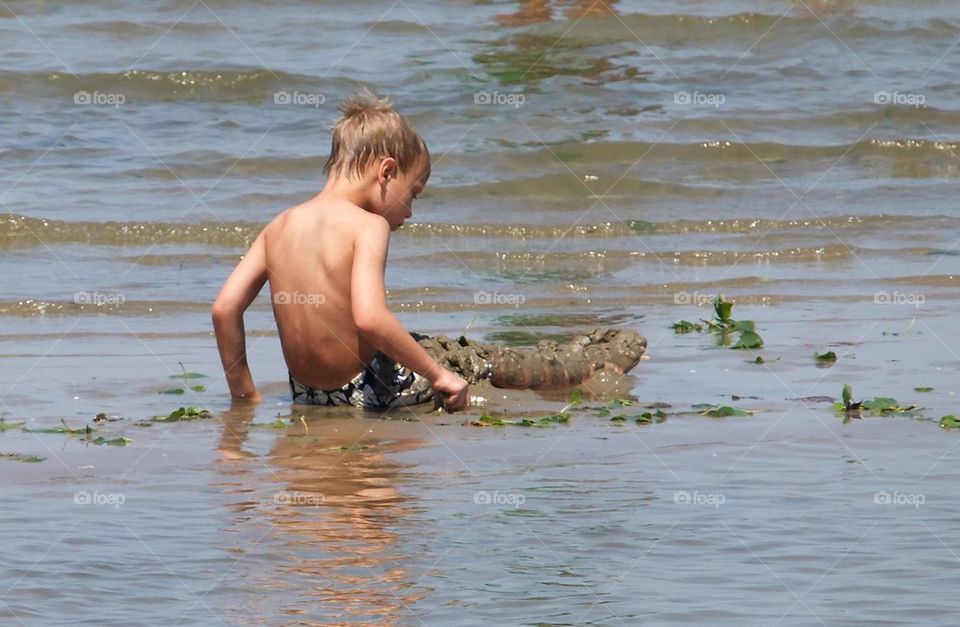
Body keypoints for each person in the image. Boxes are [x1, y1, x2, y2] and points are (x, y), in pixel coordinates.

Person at [212, 90, 470, 411]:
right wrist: (439, 375)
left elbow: (224, 309)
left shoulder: (279, 225)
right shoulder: (368, 226)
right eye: (413, 194)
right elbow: (370, 318)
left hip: (307, 394)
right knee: (470, 363)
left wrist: (244, 394)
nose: (410, 212)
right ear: (386, 172)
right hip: (371, 390)